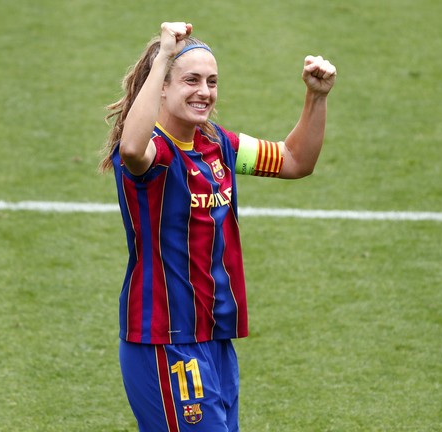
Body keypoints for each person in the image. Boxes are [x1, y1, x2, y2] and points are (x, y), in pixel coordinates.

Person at [99, 21, 336, 432]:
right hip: (166, 339)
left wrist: (316, 97)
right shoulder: (153, 153)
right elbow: (132, 147)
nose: (204, 91)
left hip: (213, 336)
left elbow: (295, 161)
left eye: (211, 81)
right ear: (162, 88)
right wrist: (164, 57)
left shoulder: (218, 145)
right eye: (190, 80)